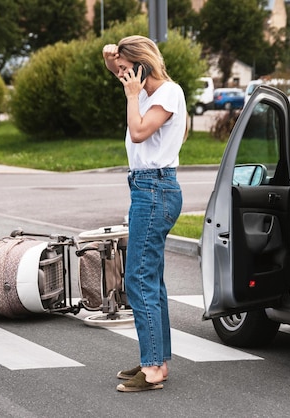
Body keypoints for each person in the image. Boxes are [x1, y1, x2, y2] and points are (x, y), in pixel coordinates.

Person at [102, 35, 186, 392]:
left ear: (141, 66)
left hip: (155, 189)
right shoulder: (151, 94)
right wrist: (111, 59)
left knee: (137, 278)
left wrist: (132, 95)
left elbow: (138, 133)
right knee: (151, 279)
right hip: (147, 188)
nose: (121, 77)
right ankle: (158, 361)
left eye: (126, 70)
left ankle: (152, 369)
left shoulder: (166, 93)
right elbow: (118, 67)